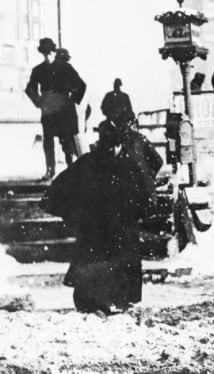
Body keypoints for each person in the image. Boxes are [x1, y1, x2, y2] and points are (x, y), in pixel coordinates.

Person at [42, 120, 151, 314]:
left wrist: (135, 214)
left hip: (121, 227)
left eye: (113, 145)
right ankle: (88, 302)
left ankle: (120, 301)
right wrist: (72, 213)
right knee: (91, 263)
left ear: (120, 144)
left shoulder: (129, 166)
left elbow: (143, 194)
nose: (109, 149)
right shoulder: (89, 162)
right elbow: (63, 185)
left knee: (120, 264)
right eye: (105, 144)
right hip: (95, 227)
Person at [25, 39, 87, 179]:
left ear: (54, 52)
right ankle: (50, 170)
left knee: (67, 141)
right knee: (48, 141)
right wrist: (38, 101)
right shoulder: (38, 70)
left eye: (50, 53)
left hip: (64, 111)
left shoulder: (65, 68)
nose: (47, 56)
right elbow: (30, 88)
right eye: (44, 54)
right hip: (48, 112)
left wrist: (72, 101)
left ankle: (71, 169)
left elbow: (81, 85)